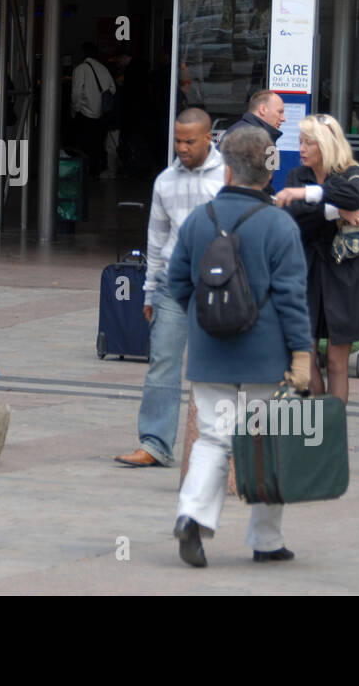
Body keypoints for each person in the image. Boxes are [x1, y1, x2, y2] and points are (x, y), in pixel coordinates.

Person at [165, 125, 313, 567]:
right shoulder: (279, 224)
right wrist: (302, 354)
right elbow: (292, 297)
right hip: (265, 355)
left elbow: (177, 284)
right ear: (268, 175)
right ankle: (266, 540)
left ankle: (192, 515)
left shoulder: (199, 220)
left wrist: (209, 318)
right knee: (268, 442)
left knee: (213, 437)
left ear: (226, 170)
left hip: (211, 352)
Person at [114, 108, 224, 468]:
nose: (182, 147)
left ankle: (219, 445)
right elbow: (157, 238)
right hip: (172, 285)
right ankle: (154, 443)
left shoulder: (228, 176)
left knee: (219, 369)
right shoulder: (165, 181)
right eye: (177, 140)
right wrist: (148, 291)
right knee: (162, 363)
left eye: (190, 141)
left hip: (219, 283)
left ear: (209, 138)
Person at [274, 114, 359, 403]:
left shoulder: (350, 171)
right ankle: (319, 420)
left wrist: (311, 196)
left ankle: (333, 432)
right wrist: (336, 211)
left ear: (326, 145)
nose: (302, 148)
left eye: (309, 142)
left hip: (346, 273)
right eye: (301, 142)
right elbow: (296, 216)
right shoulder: (297, 175)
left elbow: (355, 196)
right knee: (303, 360)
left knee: (336, 361)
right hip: (306, 270)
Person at [220, 89, 285, 193]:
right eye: (280, 112)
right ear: (263, 109)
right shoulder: (243, 136)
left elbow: (269, 177)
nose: (283, 118)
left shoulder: (271, 136)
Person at [70, 42, 115, 178]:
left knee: (83, 146)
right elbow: (112, 89)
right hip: (100, 115)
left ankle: (83, 173)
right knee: (96, 146)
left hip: (84, 113)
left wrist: (74, 108)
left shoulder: (80, 69)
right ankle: (94, 172)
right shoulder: (103, 68)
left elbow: (76, 92)